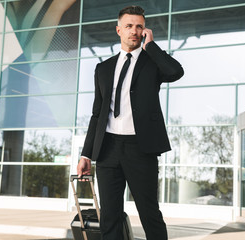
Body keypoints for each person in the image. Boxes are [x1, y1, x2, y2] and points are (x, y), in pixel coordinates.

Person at [77, 5, 184, 240]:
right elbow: (97, 114)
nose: (134, 31)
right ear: (118, 30)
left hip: (140, 148)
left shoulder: (152, 62)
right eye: (129, 26)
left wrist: (151, 46)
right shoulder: (103, 69)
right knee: (110, 217)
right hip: (107, 150)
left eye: (139, 27)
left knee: (149, 214)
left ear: (144, 31)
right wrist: (86, 154)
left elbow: (176, 72)